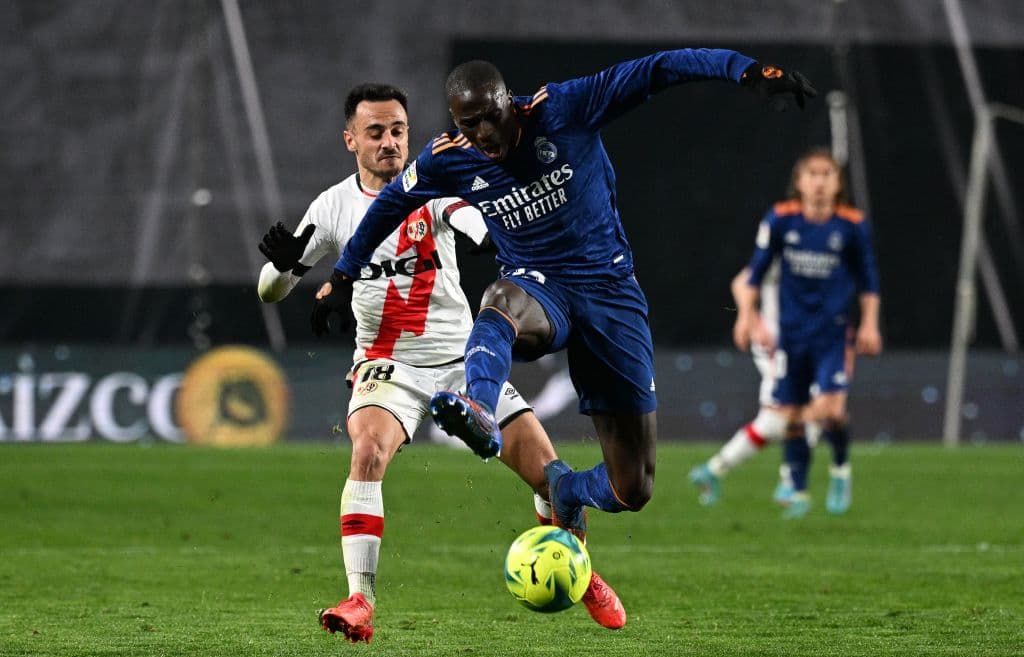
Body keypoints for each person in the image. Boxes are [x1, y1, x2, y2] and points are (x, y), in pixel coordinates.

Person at [317, 51, 816, 536]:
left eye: (492, 118)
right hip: (539, 288)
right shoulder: (449, 157)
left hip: (610, 293)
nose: (485, 135)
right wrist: (343, 276)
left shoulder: (564, 108)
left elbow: (657, 69)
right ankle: (481, 413)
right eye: (470, 124)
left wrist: (745, 70)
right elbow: (389, 206)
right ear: (456, 120)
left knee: (633, 487)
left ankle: (568, 489)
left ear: (508, 102)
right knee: (500, 301)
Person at [256, 83, 624, 644]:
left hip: (462, 360)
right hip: (388, 364)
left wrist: (488, 230)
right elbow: (272, 293)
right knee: (367, 449)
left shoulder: (432, 185)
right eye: (375, 132)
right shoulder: (331, 207)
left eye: (398, 130)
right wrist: (282, 270)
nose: (389, 143)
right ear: (350, 139)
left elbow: (472, 220)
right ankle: (360, 599)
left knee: (551, 478)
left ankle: (581, 572)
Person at [734, 148, 882, 518]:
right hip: (792, 336)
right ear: (799, 182)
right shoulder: (781, 220)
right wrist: (746, 318)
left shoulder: (851, 225)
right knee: (790, 414)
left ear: (837, 183)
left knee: (831, 411)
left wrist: (869, 324)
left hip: (831, 335)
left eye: (827, 174)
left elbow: (869, 281)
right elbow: (754, 274)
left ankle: (840, 468)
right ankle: (798, 489)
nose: (819, 181)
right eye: (812, 174)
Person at [687, 263, 825, 507]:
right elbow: (741, 282)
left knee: (777, 420)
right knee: (809, 409)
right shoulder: (783, 247)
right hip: (776, 339)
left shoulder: (818, 247)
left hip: (804, 339)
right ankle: (791, 485)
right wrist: (753, 321)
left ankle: (713, 470)